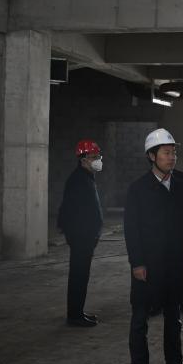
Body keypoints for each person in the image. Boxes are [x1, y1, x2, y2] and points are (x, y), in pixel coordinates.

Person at [124, 128, 183, 364]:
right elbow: (131, 229)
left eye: (173, 152)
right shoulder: (138, 189)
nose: (172, 157)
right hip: (148, 264)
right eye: (166, 152)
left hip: (175, 262)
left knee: (173, 316)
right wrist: (137, 263)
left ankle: (174, 363)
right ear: (152, 156)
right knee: (140, 318)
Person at [56, 139, 105, 328]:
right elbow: (72, 212)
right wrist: (80, 236)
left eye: (98, 156)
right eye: (94, 157)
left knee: (82, 276)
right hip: (81, 238)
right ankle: (75, 316)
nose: (98, 160)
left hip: (85, 238)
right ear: (83, 159)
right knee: (78, 276)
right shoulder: (78, 180)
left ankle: (77, 312)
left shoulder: (86, 177)